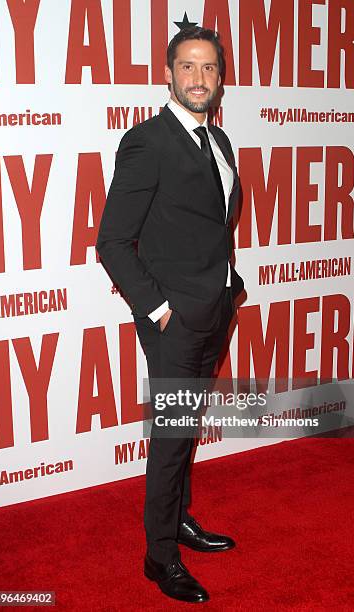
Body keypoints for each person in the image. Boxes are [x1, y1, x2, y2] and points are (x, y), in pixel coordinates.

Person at [96, 26, 245, 603]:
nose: (199, 79)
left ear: (219, 77)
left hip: (215, 307)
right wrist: (159, 309)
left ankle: (180, 519)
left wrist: (224, 289)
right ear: (168, 73)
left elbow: (210, 225)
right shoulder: (147, 142)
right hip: (175, 320)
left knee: (184, 432)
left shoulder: (220, 141)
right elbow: (112, 241)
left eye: (209, 68)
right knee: (171, 436)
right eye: (188, 67)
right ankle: (159, 558)